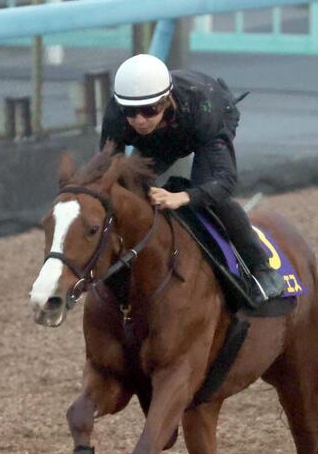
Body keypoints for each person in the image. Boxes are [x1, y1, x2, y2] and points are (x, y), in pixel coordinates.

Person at [99, 53, 285, 301]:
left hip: (208, 118)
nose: (139, 121)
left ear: (165, 100)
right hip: (163, 135)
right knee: (128, 186)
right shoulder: (116, 116)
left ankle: (262, 268)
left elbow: (224, 183)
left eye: (148, 110)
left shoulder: (203, 109)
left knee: (208, 193)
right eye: (131, 112)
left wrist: (182, 197)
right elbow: (107, 172)